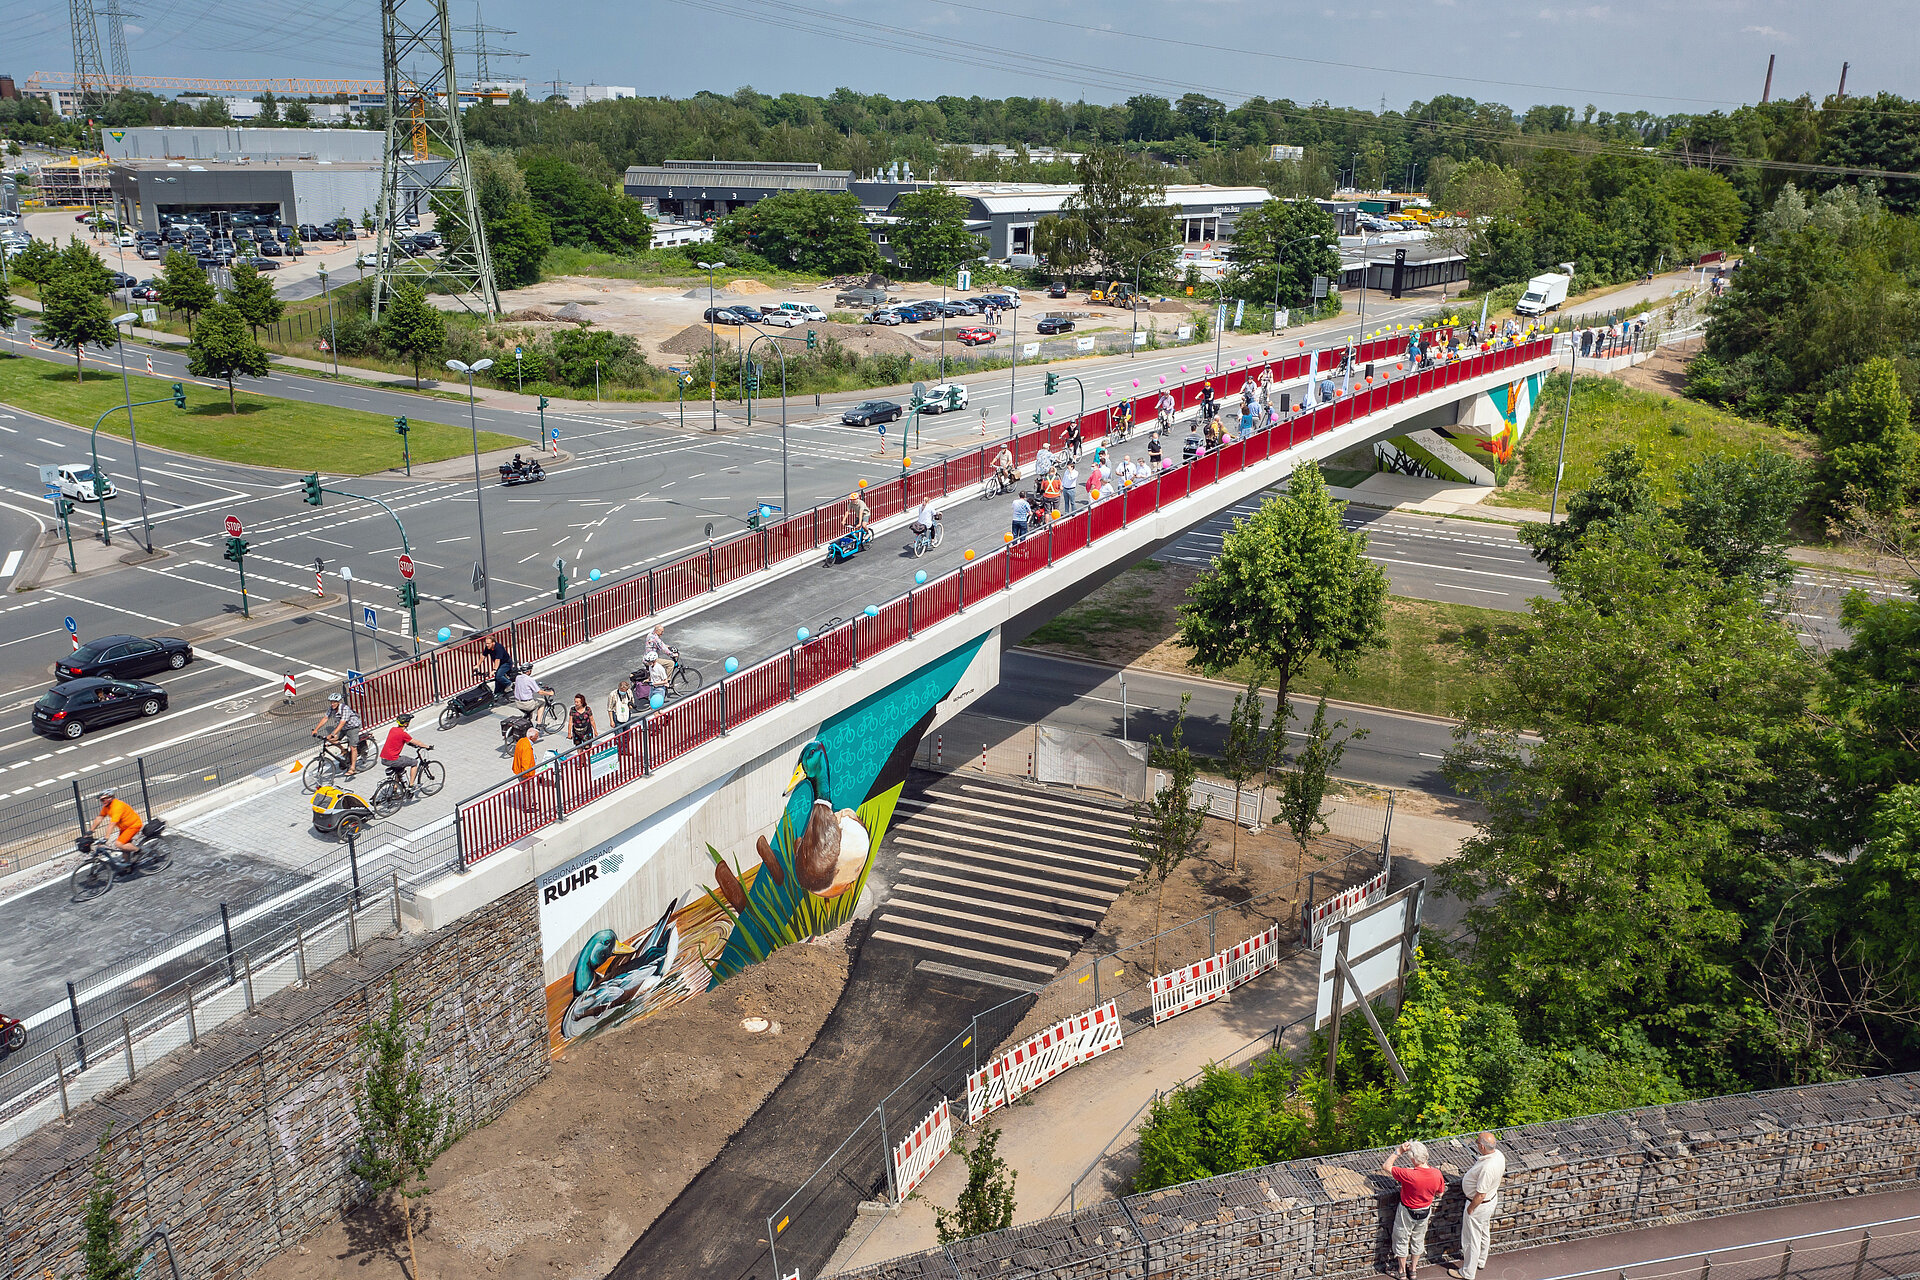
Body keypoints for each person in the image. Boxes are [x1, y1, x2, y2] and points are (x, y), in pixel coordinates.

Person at [1383, 1141, 1445, 1280]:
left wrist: (1398, 1151)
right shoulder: (1436, 1173)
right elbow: (1440, 1193)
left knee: (1401, 1239)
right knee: (1418, 1239)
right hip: (1425, 1211)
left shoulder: (1408, 1174)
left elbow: (1386, 1166)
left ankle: (1401, 1271)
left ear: (1412, 1159)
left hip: (1407, 1211)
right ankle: (1413, 1270)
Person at [1454, 1132, 1505, 1280]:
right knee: (1483, 1232)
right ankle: (1481, 1260)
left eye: (1477, 1142)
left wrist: (1471, 1209)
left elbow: (1481, 1194)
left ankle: (1468, 1272)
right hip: (1491, 1200)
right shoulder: (1499, 1155)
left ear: (1482, 1146)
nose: (1476, 1144)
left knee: (1471, 1239)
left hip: (1478, 1204)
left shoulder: (1487, 1167)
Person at [312, 693, 366, 765]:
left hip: (353, 727)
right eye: (331, 702)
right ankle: (343, 750)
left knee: (353, 747)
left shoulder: (345, 709)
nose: (332, 704)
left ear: (338, 702)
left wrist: (332, 734)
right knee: (330, 739)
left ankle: (353, 767)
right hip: (344, 728)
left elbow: (341, 723)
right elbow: (325, 718)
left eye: (334, 702)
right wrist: (316, 729)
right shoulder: (331, 709)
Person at [91, 787, 143, 857]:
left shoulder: (117, 806)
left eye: (103, 800)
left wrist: (106, 837)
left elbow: (112, 824)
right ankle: (127, 866)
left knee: (119, 844)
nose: (102, 802)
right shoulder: (107, 807)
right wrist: (91, 830)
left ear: (110, 798)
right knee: (124, 849)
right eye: (101, 800)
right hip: (124, 828)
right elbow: (100, 817)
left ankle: (139, 851)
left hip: (133, 826)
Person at [379, 712, 425, 788]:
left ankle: (395, 790)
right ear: (405, 724)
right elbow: (417, 742)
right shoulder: (403, 734)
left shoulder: (392, 729)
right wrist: (427, 746)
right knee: (414, 762)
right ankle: (411, 785)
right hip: (392, 759)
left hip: (384, 758)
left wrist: (411, 744)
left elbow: (402, 741)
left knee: (399, 768)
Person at [512, 725, 540, 811]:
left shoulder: (522, 741)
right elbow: (526, 763)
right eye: (536, 736)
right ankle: (527, 807)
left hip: (519, 770)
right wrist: (529, 775)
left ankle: (528, 802)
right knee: (528, 790)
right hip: (526, 773)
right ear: (531, 737)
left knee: (527, 789)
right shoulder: (527, 747)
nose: (537, 738)